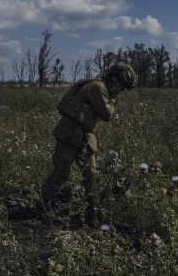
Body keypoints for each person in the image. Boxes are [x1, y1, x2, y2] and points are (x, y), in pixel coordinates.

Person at [41, 62, 137, 225]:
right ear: (115, 80)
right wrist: (113, 98)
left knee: (91, 176)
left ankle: (93, 213)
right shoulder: (97, 87)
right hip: (69, 136)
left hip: (84, 138)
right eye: (121, 87)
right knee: (61, 173)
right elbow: (107, 114)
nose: (121, 90)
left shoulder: (101, 87)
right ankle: (42, 204)